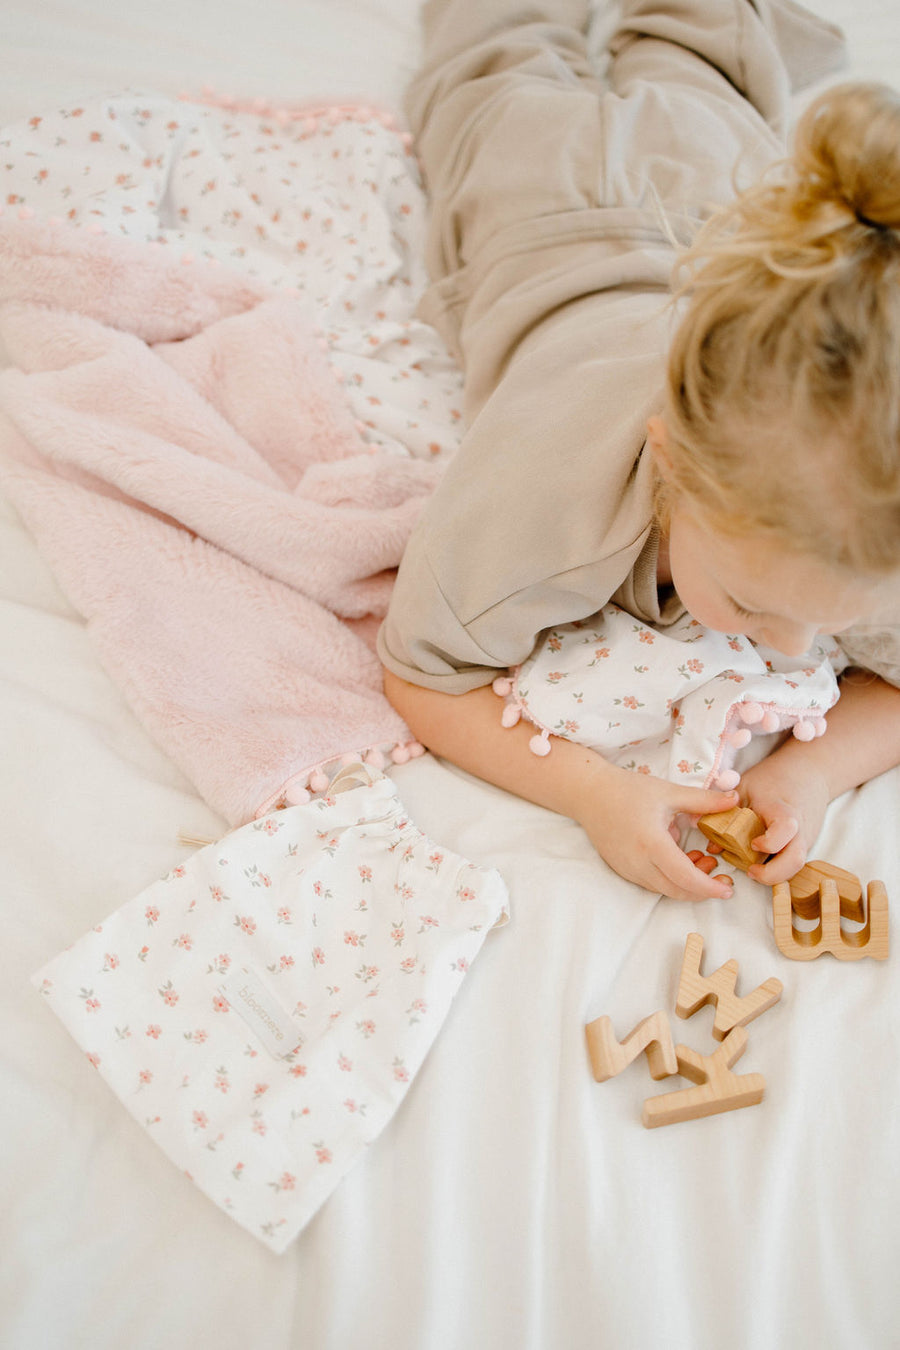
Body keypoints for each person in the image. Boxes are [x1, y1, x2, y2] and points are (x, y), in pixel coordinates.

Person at [377, 0, 900, 902]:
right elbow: (421, 675)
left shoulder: (865, 534)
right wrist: (594, 793)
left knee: (695, 61)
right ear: (669, 459)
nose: (794, 646)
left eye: (831, 622)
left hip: (706, 176)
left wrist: (810, 772)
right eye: (748, 602)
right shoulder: (540, 502)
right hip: (532, 192)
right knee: (489, 55)